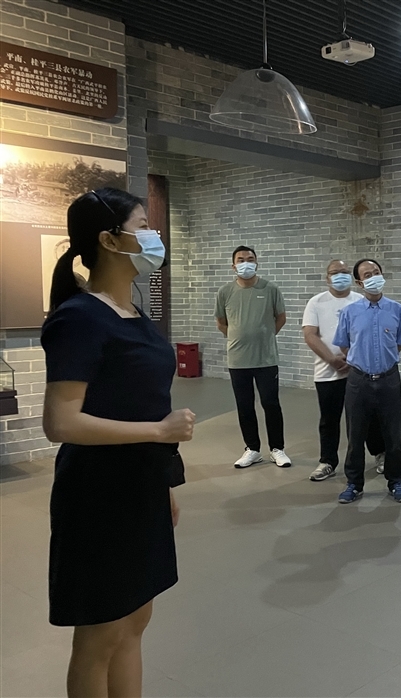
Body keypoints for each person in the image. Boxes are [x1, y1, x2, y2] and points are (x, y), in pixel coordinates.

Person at [41, 189, 195, 697]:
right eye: (142, 225)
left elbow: (140, 402)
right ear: (109, 240)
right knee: (100, 635)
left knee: (134, 623)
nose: (154, 235)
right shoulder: (79, 318)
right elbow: (61, 422)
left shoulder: (134, 312)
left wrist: (163, 484)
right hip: (98, 494)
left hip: (141, 485)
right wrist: (160, 432)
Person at [333, 259, 401, 504]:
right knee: (355, 436)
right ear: (359, 282)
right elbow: (344, 345)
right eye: (367, 275)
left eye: (376, 272)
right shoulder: (349, 312)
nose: (373, 277)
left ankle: (396, 482)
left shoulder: (397, 310)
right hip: (359, 381)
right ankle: (354, 484)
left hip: (389, 380)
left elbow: (398, 344)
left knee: (394, 436)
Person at [302, 260, 385, 482]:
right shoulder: (316, 302)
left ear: (352, 277)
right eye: (335, 272)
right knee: (329, 419)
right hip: (326, 372)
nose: (340, 276)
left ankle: (380, 453)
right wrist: (332, 359)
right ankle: (327, 461)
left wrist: (353, 359)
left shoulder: (360, 301)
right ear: (327, 278)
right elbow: (310, 335)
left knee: (368, 416)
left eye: (345, 272)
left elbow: (369, 334)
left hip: (359, 371)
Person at [215, 246, 290, 469]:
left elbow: (281, 318)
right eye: (241, 260)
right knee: (244, 405)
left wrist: (264, 337)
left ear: (256, 263)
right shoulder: (225, 292)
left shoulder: (270, 289)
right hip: (238, 360)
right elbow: (221, 322)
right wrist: (238, 337)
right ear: (233, 266)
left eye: (250, 259)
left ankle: (277, 449)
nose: (245, 263)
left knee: (270, 403)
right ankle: (252, 449)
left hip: (266, 359)